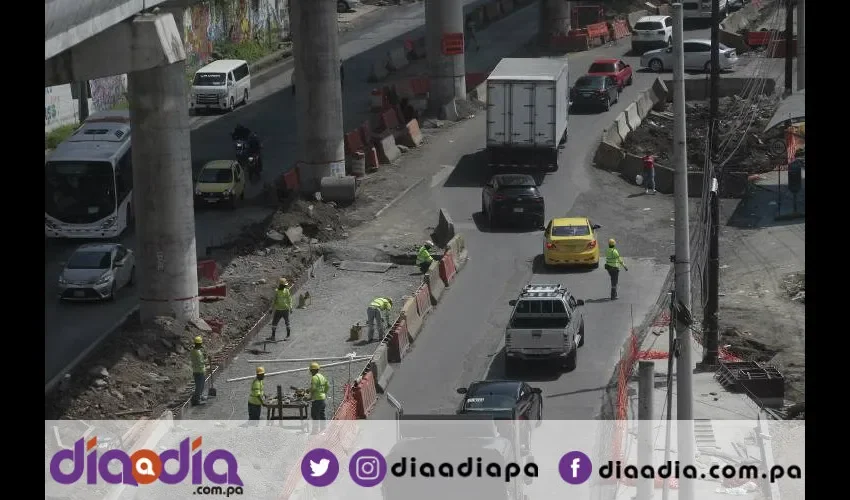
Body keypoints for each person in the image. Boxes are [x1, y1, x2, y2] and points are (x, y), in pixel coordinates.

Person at [308, 362, 329, 433]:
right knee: (321, 414)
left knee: (315, 415)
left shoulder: (314, 378)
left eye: (311, 370)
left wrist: (308, 391)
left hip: (317, 400)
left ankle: (315, 431)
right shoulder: (322, 376)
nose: (310, 372)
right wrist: (323, 393)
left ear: (313, 370)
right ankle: (323, 430)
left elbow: (313, 388)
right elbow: (327, 386)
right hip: (322, 400)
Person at [190, 336, 207, 406]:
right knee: (199, 386)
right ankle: (197, 400)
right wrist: (206, 359)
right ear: (199, 344)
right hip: (199, 371)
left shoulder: (193, 351)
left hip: (197, 371)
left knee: (202, 384)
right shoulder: (198, 353)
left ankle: (200, 395)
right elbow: (201, 362)